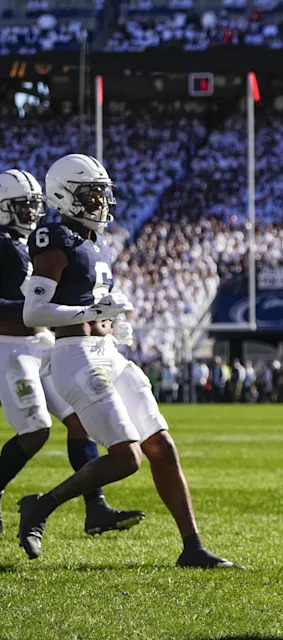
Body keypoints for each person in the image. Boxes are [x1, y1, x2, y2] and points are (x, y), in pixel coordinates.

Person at [16, 154, 237, 568]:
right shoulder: (53, 236)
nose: (100, 201)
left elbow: (90, 300)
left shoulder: (93, 240)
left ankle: (193, 548)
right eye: (91, 193)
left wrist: (112, 321)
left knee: (161, 444)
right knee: (126, 457)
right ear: (65, 194)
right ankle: (40, 506)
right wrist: (91, 315)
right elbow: (35, 313)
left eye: (102, 192)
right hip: (74, 355)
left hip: (107, 354)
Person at [0, 167, 143, 536]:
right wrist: (32, 307)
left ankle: (95, 508)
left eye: (33, 205)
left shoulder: (37, 241)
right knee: (35, 431)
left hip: (43, 342)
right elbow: (29, 303)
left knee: (78, 422)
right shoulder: (4, 244)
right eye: (21, 206)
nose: (31, 212)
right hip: (11, 347)